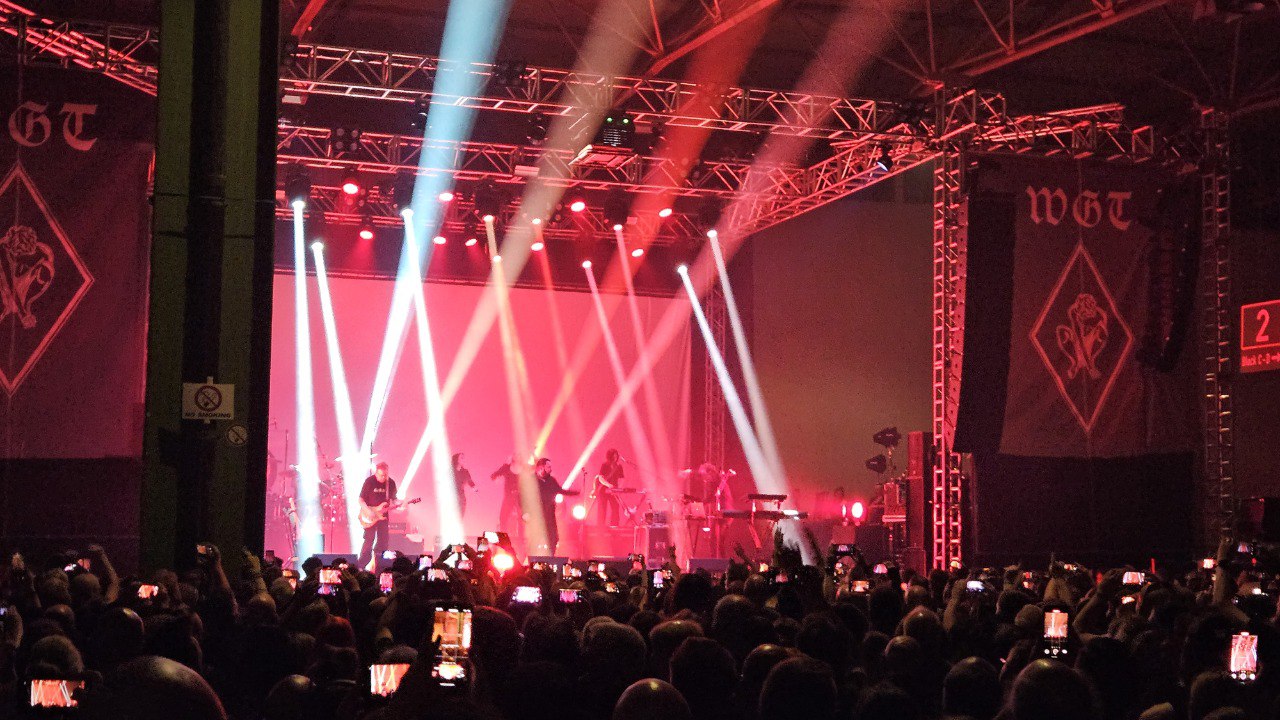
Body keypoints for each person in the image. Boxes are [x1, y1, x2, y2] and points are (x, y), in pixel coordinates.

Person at [358, 461, 397, 570]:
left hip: (383, 516)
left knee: (383, 541)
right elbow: (361, 499)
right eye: (380, 475)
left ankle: (380, 567)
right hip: (370, 515)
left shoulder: (391, 483)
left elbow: (394, 500)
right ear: (376, 473)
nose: (383, 477)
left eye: (385, 475)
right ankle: (361, 566)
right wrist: (368, 511)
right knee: (369, 540)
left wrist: (401, 504)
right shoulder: (369, 481)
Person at [532, 457, 561, 554]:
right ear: (541, 467)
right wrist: (525, 512)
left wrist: (575, 493)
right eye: (548, 467)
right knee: (536, 538)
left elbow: (560, 490)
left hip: (550, 514)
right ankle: (532, 558)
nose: (550, 469)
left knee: (554, 538)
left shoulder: (551, 480)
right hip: (537, 515)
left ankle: (551, 558)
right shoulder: (532, 479)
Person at [490, 457, 522, 536]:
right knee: (503, 517)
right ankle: (503, 536)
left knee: (521, 517)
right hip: (509, 497)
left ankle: (521, 537)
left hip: (519, 497)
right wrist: (496, 477)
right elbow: (494, 475)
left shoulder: (523, 469)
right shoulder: (506, 468)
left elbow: (534, 470)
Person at [594, 448, 625, 527]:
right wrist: (608, 485)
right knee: (602, 509)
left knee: (615, 507)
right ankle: (601, 526)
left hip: (614, 491)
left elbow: (622, 478)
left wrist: (618, 489)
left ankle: (614, 525)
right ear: (610, 456)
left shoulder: (619, 466)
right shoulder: (604, 465)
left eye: (616, 455)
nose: (615, 457)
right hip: (603, 490)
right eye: (614, 455)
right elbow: (600, 478)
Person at [452, 453, 474, 518]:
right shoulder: (451, 471)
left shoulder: (465, 472)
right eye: (461, 458)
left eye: (464, 458)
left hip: (461, 499)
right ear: (457, 460)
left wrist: (474, 487)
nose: (463, 459)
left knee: (460, 517)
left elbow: (470, 481)